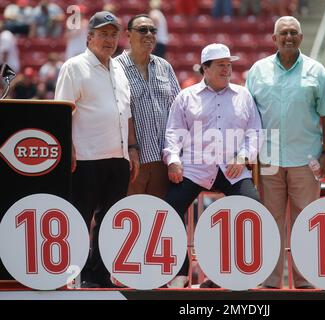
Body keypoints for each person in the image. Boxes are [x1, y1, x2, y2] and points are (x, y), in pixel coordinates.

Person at [246, 16, 325, 289]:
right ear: (274, 39)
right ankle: (271, 282)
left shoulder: (317, 71)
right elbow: (249, 116)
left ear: (301, 38)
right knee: (270, 221)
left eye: (293, 33)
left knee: (305, 222)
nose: (288, 37)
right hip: (268, 160)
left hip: (306, 158)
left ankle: (305, 281)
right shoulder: (257, 71)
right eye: (283, 33)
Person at [163, 43, 262, 288]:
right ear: (204, 69)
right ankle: (180, 272)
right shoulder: (186, 96)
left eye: (229, 65)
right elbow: (173, 133)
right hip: (195, 168)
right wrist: (173, 160)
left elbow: (255, 132)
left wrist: (243, 156)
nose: (227, 70)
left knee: (253, 209)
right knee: (169, 210)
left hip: (232, 169)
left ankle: (231, 274)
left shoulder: (244, 95)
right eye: (221, 65)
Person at [55, 11, 140, 288]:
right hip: (87, 156)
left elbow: (125, 112)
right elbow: (62, 112)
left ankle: (98, 273)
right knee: (80, 216)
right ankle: (69, 274)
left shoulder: (119, 68)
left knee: (110, 219)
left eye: (113, 34)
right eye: (103, 34)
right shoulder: (74, 66)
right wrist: (68, 148)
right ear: (89, 37)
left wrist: (131, 148)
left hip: (117, 156)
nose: (109, 39)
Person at [116, 14, 180, 199]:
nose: (149, 34)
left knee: (158, 219)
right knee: (128, 216)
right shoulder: (115, 68)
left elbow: (178, 111)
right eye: (143, 30)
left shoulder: (165, 66)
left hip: (162, 159)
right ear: (128, 35)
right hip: (131, 160)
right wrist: (130, 148)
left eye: (153, 30)